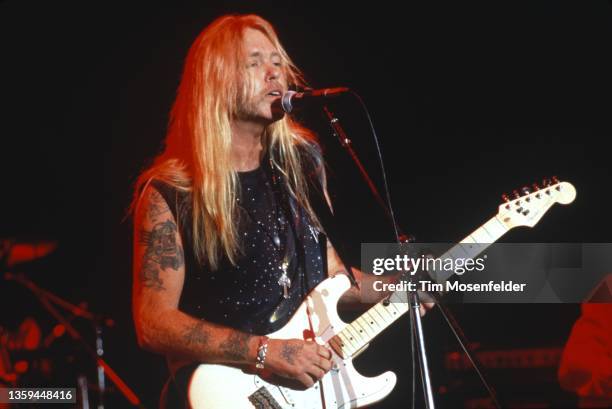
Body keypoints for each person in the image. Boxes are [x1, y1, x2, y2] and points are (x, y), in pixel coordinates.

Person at [130, 14, 424, 407]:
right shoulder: (173, 190)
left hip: (312, 394)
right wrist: (264, 351)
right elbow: (153, 322)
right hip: (220, 395)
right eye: (254, 63)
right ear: (216, 81)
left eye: (277, 61)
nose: (274, 73)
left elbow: (332, 278)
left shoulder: (302, 165)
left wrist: (403, 287)